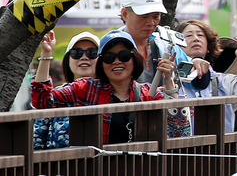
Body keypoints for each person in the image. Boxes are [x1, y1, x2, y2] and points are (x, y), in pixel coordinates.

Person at [31, 30, 188, 144]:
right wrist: (46, 55)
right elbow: (43, 101)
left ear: (135, 59)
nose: (117, 61)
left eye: (124, 56)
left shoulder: (147, 93)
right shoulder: (86, 88)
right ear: (101, 63)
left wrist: (169, 79)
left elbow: (178, 129)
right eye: (109, 57)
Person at [175, 20, 237, 133]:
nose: (196, 38)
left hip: (219, 144)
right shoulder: (170, 79)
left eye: (200, 35)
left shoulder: (221, 81)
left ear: (208, 47)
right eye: (188, 35)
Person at [117, 0, 202, 85]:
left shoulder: (165, 45)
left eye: (156, 16)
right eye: (144, 16)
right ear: (125, 14)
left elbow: (194, 80)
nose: (151, 23)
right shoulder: (110, 45)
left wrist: (197, 63)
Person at [32, 31, 99, 150]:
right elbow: (37, 141)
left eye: (92, 53)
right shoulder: (56, 96)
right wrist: (46, 53)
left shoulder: (110, 94)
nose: (84, 57)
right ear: (68, 60)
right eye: (76, 53)